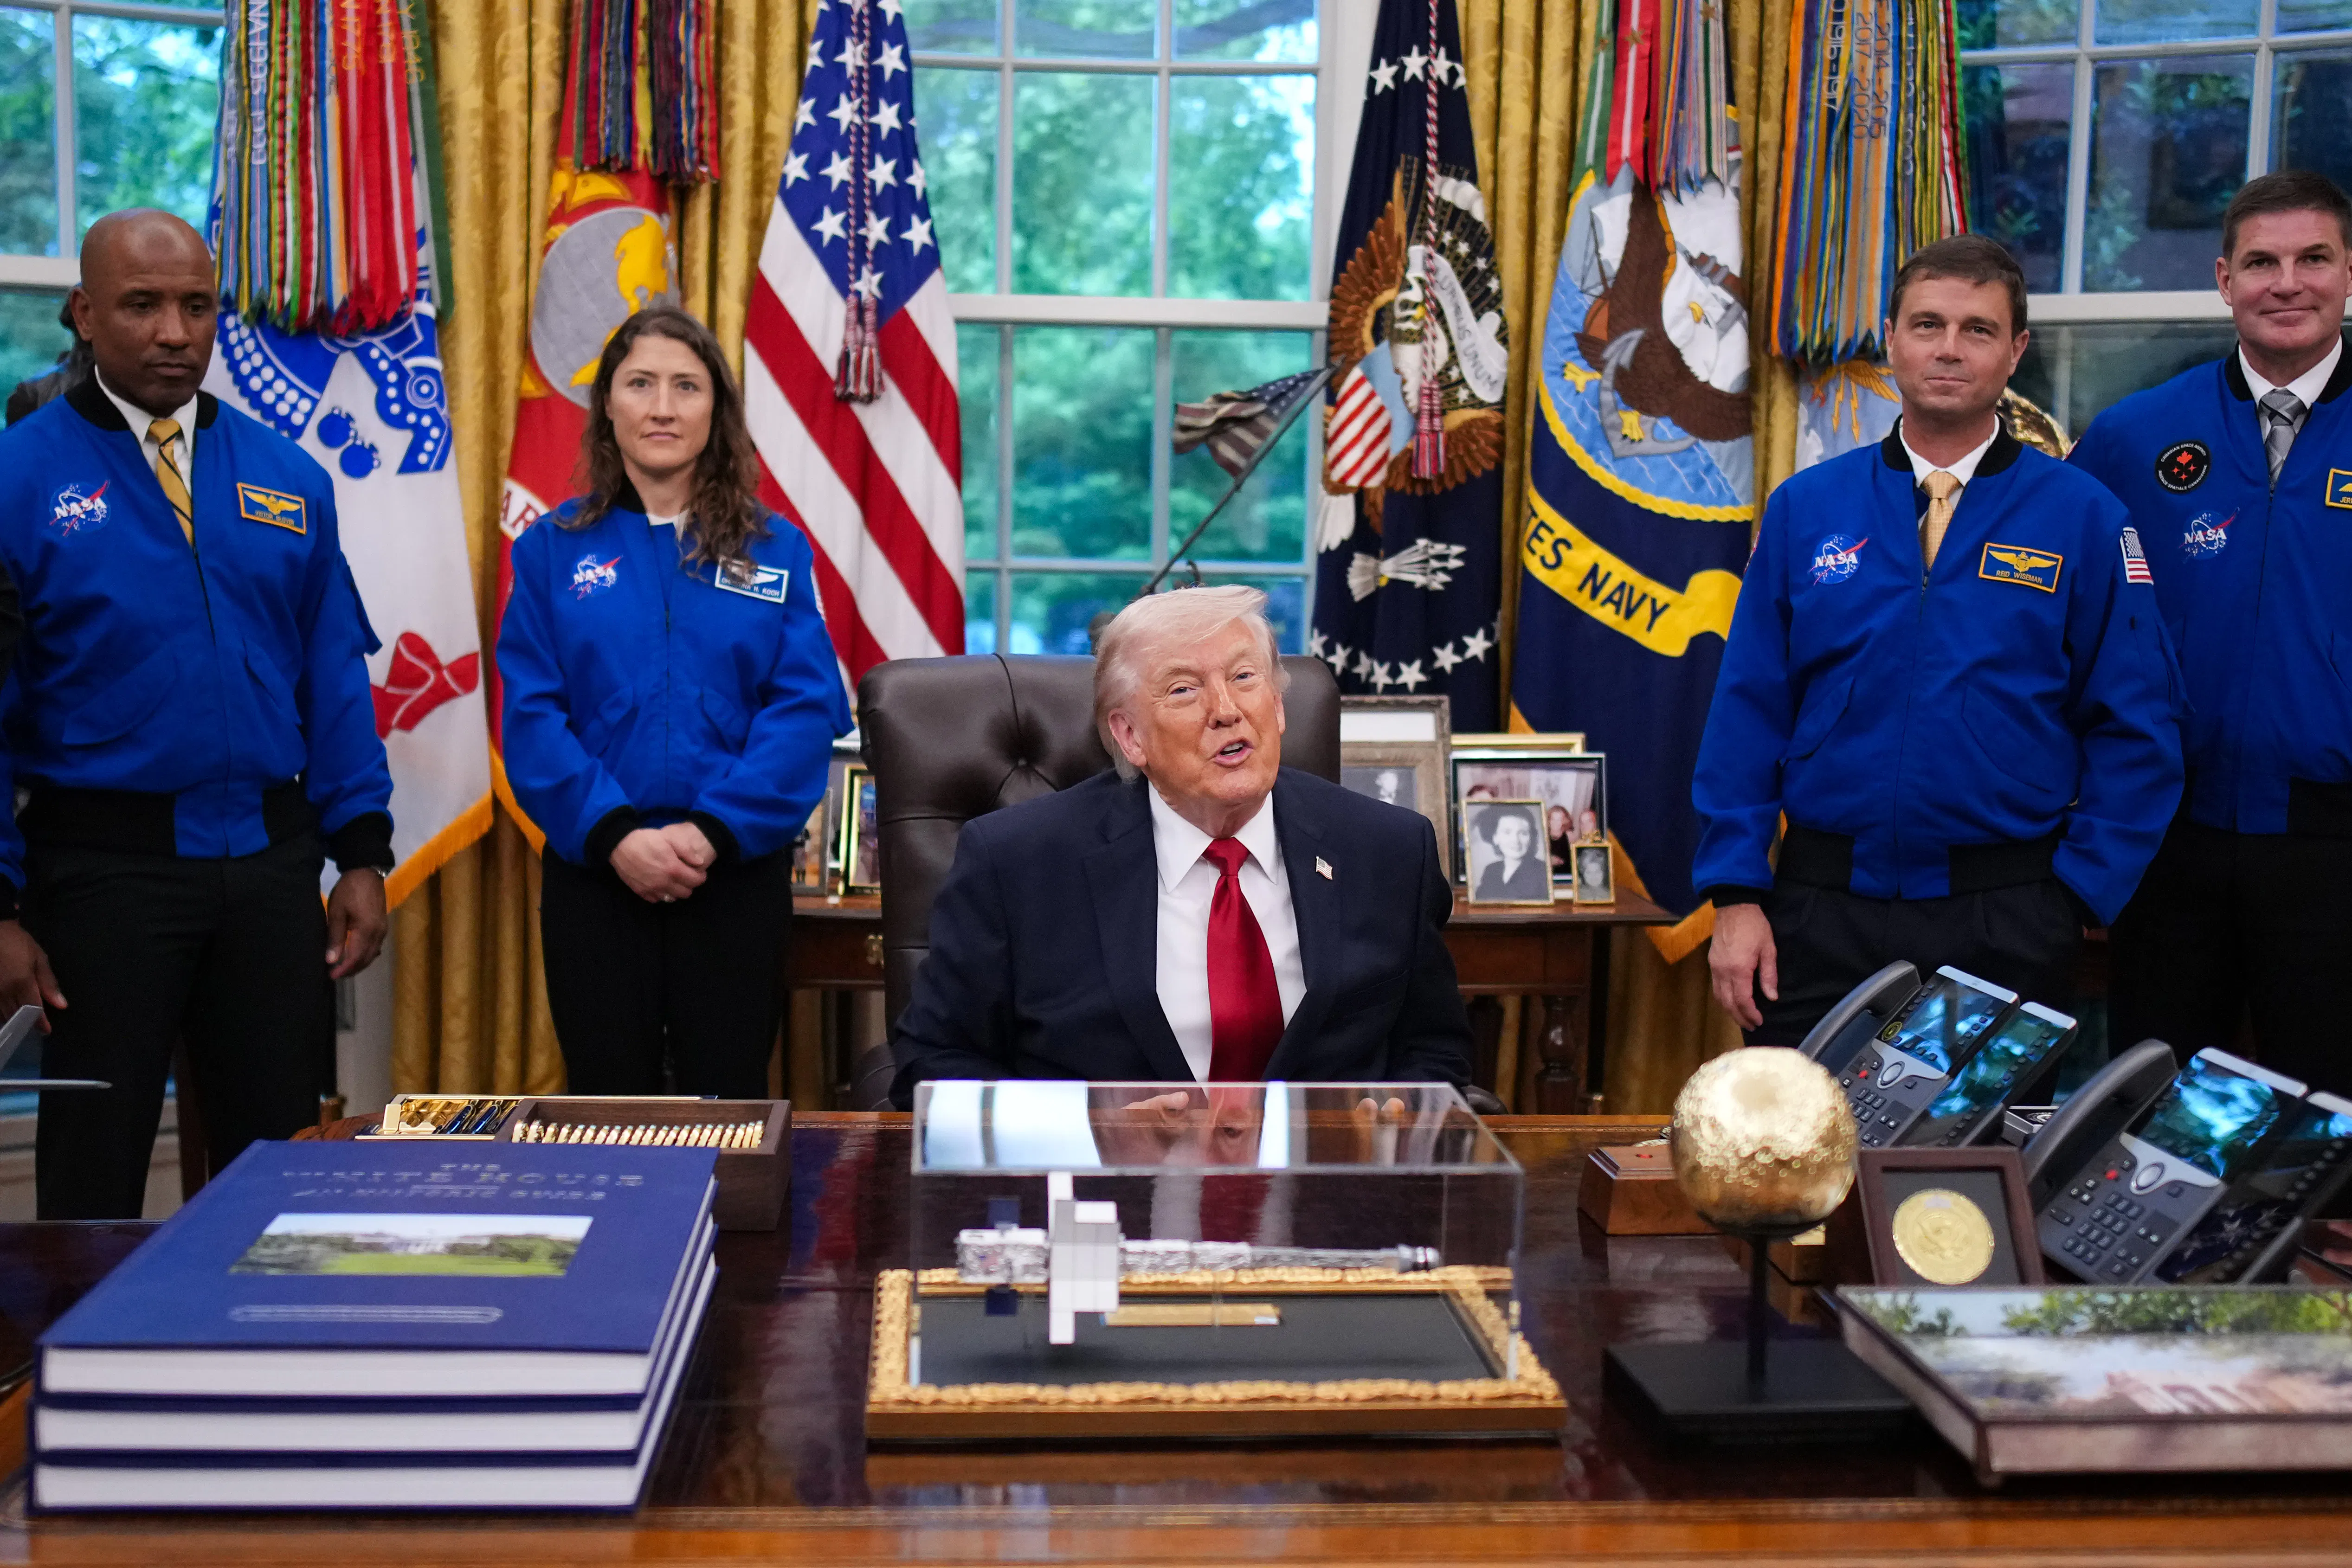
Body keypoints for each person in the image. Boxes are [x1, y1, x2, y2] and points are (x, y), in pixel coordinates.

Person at [1694, 234, 2183, 1047]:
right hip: (1815, 914)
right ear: (1890, 338)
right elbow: (1746, 713)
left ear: (2015, 350)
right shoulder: (1805, 509)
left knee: (1976, 1173)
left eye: (1977, 329)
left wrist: (2076, 896)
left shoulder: (2083, 516)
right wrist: (1735, 895)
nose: (1947, 348)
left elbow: (2139, 723)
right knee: (1799, 1165)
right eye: (1926, 324)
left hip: (2004, 917)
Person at [0, 210, 393, 1219]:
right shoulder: (19, 478)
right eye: (142, 305)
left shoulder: (289, 477)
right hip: (103, 879)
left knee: (281, 1173)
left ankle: (275, 1368)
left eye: (196, 305)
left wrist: (359, 851)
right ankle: (83, 1375)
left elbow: (332, 677)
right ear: (86, 315)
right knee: (93, 1175)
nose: (176, 332)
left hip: (267, 872)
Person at [888, 585, 1472, 1104]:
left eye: (1245, 678)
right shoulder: (1017, 861)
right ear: (1129, 735)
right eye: (1184, 689)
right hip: (1100, 1203)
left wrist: (1397, 1113)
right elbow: (934, 1065)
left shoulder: (1388, 850)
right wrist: (1090, 1129)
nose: (1226, 710)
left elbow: (1433, 1050)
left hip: (1318, 1200)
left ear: (1276, 704)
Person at [498, 304, 850, 1098]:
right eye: (641, 384)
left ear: (716, 411)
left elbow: (801, 710)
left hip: (731, 876)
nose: (663, 407)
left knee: (724, 1113)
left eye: (687, 386)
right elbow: (529, 717)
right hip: (597, 874)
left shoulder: (775, 550)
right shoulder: (551, 550)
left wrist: (715, 831)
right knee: (608, 1112)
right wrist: (617, 833)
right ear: (609, 408)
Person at [2066, 172, 2352, 1089]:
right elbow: (2070, 631)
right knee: (2152, 1119)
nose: (2286, 283)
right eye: (2260, 262)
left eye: (2312, 259)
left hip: (2333, 846)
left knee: (2325, 1146)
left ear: (2347, 273)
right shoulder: (2131, 436)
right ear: (2222, 279)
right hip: (2166, 836)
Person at [1473, 808, 1547, 901]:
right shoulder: (1491, 870)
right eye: (1507, 832)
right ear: (1495, 838)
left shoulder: (1542, 871)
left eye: (1523, 833)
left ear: (1531, 838)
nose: (1516, 841)